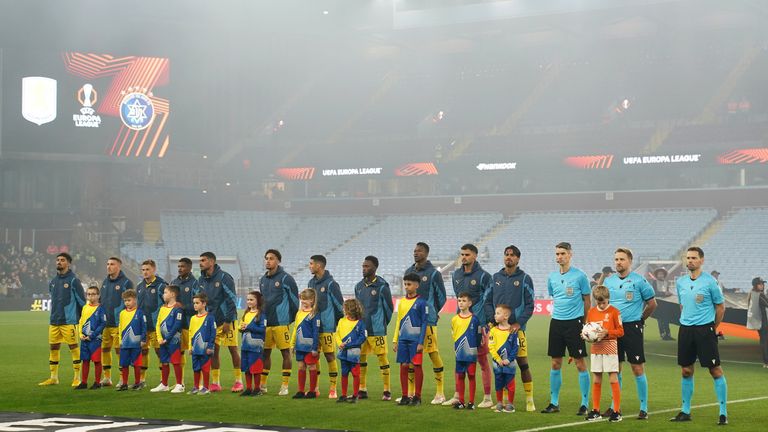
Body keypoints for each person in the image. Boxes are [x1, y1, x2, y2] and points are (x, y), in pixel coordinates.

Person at [670, 247, 728, 425]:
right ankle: (685, 411)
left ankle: (723, 413)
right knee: (686, 370)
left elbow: (720, 307)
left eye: (694, 258)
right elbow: (682, 305)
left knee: (714, 370)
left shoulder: (710, 282)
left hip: (705, 330)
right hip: (686, 330)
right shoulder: (680, 282)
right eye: (688, 258)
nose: (690, 261)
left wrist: (712, 327)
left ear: (702, 260)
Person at [602, 247, 657, 419]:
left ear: (630, 261)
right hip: (613, 330)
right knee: (615, 369)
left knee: (637, 367)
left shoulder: (639, 281)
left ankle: (644, 408)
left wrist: (640, 320)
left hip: (632, 328)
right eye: (616, 259)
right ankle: (614, 406)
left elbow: (652, 304)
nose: (618, 262)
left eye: (622, 259)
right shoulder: (609, 282)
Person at [541, 242, 591, 416]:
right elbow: (555, 296)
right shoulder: (552, 277)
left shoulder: (580, 276)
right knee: (555, 362)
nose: (559, 256)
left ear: (570, 254)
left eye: (563, 253)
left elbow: (587, 300)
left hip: (574, 323)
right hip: (556, 322)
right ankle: (554, 402)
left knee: (579, 363)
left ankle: (585, 403)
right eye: (557, 254)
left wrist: (584, 323)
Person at [485, 245, 536, 411]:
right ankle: (504, 401)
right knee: (500, 366)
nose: (509, 257)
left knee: (522, 364)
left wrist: (518, 323)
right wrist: (491, 320)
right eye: (506, 254)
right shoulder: (495, 278)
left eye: (512, 255)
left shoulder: (524, 278)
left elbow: (530, 305)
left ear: (518, 259)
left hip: (516, 331)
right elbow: (487, 301)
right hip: (498, 331)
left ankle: (529, 400)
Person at [451, 244, 494, 408]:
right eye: (462, 254)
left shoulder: (484, 276)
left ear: (475, 256)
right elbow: (458, 296)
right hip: (461, 325)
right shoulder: (456, 275)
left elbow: (489, 299)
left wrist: (486, 322)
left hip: (479, 325)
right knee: (460, 360)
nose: (464, 257)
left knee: (482, 361)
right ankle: (458, 396)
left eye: (467, 254)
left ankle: (487, 397)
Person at [405, 242, 448, 404]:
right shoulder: (409, 271)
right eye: (415, 250)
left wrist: (433, 311)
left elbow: (441, 296)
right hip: (411, 323)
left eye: (420, 251)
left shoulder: (433, 273)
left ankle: (440, 393)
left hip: (428, 322)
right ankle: (410, 393)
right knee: (410, 357)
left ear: (427, 253)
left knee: (432, 353)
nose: (416, 253)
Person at [196, 251, 241, 393]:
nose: (200, 263)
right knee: (213, 352)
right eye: (200, 260)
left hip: (227, 321)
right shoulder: (201, 280)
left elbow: (232, 299)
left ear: (211, 262)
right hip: (211, 322)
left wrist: (228, 320)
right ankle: (215, 383)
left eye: (203, 260)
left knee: (233, 350)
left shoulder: (224, 277)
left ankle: (238, 381)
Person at [39, 252, 86, 387]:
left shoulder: (73, 280)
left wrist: (84, 319)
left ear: (68, 263)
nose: (59, 262)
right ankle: (53, 377)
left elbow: (82, 301)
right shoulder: (53, 281)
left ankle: (77, 377)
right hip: (54, 321)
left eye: (62, 260)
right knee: (53, 348)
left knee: (74, 348)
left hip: (68, 321)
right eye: (58, 260)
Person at [259, 249, 299, 395]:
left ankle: (284, 386)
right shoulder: (262, 280)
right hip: (266, 324)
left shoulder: (286, 278)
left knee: (285, 354)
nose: (268, 261)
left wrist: (289, 318)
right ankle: (262, 385)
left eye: (271, 258)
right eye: (266, 258)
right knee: (265, 353)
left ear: (278, 261)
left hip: (281, 323)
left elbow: (295, 301)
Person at [354, 255, 394, 400]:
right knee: (361, 359)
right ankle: (362, 389)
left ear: (375, 268)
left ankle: (386, 390)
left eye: (367, 266)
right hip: (362, 330)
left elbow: (389, 309)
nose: (364, 269)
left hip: (377, 330)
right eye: (363, 266)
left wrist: (381, 323)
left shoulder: (382, 286)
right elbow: (357, 309)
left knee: (382, 359)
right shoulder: (358, 286)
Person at [583, 286, 624, 423]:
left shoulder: (614, 312)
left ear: (608, 299)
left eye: (603, 302)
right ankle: (595, 411)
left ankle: (616, 412)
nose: (601, 305)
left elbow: (620, 331)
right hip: (596, 348)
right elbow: (588, 328)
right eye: (598, 303)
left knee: (613, 378)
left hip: (610, 347)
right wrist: (585, 335)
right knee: (596, 379)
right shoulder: (592, 312)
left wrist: (608, 332)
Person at [306, 255, 344, 398]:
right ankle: (315, 388)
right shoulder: (311, 282)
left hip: (327, 327)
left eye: (311, 264)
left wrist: (336, 324)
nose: (309, 266)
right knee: (314, 357)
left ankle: (333, 388)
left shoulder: (331, 284)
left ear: (319, 266)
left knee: (329, 356)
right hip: (312, 327)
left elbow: (340, 306)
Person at [394, 272, 428, 406]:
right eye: (405, 284)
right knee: (404, 366)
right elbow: (398, 321)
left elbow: (425, 322)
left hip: (415, 341)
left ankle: (417, 397)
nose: (407, 287)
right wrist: (395, 340)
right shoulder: (401, 302)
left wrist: (421, 342)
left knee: (417, 366)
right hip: (403, 340)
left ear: (417, 285)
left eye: (409, 284)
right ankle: (405, 396)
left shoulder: (422, 302)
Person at [99, 257, 133, 386]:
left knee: (120, 351)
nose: (108, 266)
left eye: (112, 264)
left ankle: (122, 378)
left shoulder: (126, 283)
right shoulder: (105, 282)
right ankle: (107, 377)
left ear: (119, 266)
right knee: (105, 349)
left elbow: (131, 304)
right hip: (105, 324)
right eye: (107, 264)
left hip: (119, 323)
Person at [136, 259, 167, 388]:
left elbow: (167, 305)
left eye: (147, 269)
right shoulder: (139, 286)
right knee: (143, 351)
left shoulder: (161, 285)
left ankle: (163, 380)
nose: (145, 272)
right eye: (143, 270)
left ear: (154, 269)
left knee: (159, 352)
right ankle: (142, 380)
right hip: (143, 326)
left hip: (156, 326)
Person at [151, 285, 184, 393]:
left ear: (173, 294)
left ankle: (180, 385)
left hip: (173, 340)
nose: (163, 294)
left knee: (175, 362)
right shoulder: (162, 308)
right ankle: (164, 384)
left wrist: (168, 338)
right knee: (164, 361)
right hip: (163, 341)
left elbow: (177, 325)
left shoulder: (178, 308)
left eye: (165, 292)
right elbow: (158, 324)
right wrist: (160, 338)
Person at [451, 292, 481, 410]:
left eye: (463, 301)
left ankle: (471, 402)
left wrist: (475, 348)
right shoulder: (454, 319)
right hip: (459, 352)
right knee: (460, 376)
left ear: (469, 303)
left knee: (472, 375)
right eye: (459, 300)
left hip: (471, 353)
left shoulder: (475, 319)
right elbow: (454, 334)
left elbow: (478, 336)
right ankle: (461, 401)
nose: (461, 303)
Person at [170, 257, 198, 384]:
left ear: (189, 268)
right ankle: (179, 382)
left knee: (196, 352)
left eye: (183, 266)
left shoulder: (195, 283)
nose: (180, 269)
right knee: (178, 352)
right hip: (177, 325)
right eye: (179, 266)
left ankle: (199, 383)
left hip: (190, 323)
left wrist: (184, 307)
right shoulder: (173, 282)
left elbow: (199, 303)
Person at [488, 304, 520, 413]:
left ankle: (510, 404)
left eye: (498, 313)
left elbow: (516, 348)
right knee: (498, 382)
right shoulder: (493, 331)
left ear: (506, 316)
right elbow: (491, 347)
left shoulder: (513, 331)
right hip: (497, 363)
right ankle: (499, 403)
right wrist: (498, 359)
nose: (495, 315)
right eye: (495, 313)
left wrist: (509, 359)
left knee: (510, 382)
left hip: (509, 362)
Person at [335, 298, 367, 403]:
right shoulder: (341, 321)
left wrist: (350, 345)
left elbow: (363, 337)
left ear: (349, 310)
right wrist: (340, 343)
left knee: (355, 373)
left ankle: (355, 395)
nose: (343, 311)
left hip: (354, 352)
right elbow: (337, 334)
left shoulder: (360, 323)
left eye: (345, 308)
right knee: (344, 373)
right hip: (343, 351)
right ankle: (343, 395)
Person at [75, 284, 106, 390]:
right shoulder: (85, 307)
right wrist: (80, 334)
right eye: (88, 294)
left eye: (93, 294)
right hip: (84, 340)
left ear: (98, 296)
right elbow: (81, 321)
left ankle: (97, 382)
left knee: (97, 361)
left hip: (95, 340)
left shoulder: (101, 309)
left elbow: (102, 324)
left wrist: (92, 336)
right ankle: (83, 382)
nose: (91, 296)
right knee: (85, 360)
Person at [291, 288, 320, 399]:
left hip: (310, 347)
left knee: (311, 366)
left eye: (306, 299)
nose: (303, 301)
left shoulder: (314, 314)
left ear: (312, 300)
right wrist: (292, 344)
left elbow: (315, 332)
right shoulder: (299, 313)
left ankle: (312, 391)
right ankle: (301, 391)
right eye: (302, 299)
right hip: (299, 346)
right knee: (301, 366)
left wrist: (314, 348)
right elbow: (295, 329)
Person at [117, 289, 147, 391]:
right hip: (125, 343)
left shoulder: (140, 313)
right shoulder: (122, 313)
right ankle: (124, 384)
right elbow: (120, 327)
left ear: (135, 300)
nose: (127, 303)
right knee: (124, 363)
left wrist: (143, 339)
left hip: (136, 344)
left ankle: (137, 383)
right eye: (125, 301)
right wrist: (120, 339)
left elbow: (144, 327)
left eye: (129, 300)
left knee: (136, 364)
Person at [239, 290, 267, 396]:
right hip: (245, 345)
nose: (249, 302)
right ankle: (249, 388)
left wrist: (249, 326)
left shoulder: (261, 315)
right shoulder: (246, 313)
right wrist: (240, 328)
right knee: (246, 367)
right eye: (247, 300)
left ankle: (257, 388)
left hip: (256, 346)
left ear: (258, 301)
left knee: (255, 367)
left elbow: (262, 330)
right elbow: (242, 325)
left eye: (251, 299)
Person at [189, 293, 216, 395]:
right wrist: (190, 347)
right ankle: (196, 387)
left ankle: (205, 387)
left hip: (205, 349)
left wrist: (210, 346)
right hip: (195, 348)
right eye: (194, 303)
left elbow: (213, 333)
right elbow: (191, 333)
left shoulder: (210, 317)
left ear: (204, 303)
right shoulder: (192, 318)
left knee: (205, 368)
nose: (195, 305)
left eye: (197, 303)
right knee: (196, 368)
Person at [746, 277, 768, 368]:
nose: (762, 285)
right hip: (763, 321)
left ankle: (766, 362)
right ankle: (766, 361)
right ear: (755, 285)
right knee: (765, 341)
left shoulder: (752, 293)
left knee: (763, 341)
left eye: (762, 283)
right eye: (760, 284)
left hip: (757, 321)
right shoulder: (760, 295)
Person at [648, 267, 674, 340]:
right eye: (659, 274)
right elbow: (653, 293)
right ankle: (662, 334)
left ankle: (668, 334)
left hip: (666, 303)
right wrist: (664, 293)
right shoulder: (654, 282)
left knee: (666, 319)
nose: (661, 275)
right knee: (660, 319)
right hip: (658, 303)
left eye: (662, 274)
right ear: (657, 275)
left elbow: (667, 291)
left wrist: (669, 293)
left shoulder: (666, 282)